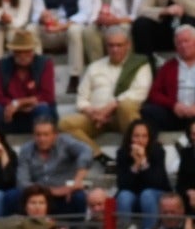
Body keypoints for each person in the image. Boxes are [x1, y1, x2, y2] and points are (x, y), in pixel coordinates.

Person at [59, 28, 151, 159]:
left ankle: (133, 154)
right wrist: (93, 112)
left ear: (128, 45)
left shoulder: (139, 65)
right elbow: (81, 98)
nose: (115, 49)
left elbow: (140, 91)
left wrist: (111, 106)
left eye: (119, 45)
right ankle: (98, 155)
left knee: (126, 106)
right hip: (95, 119)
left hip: (122, 117)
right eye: (111, 45)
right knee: (64, 124)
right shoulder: (95, 67)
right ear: (106, 46)